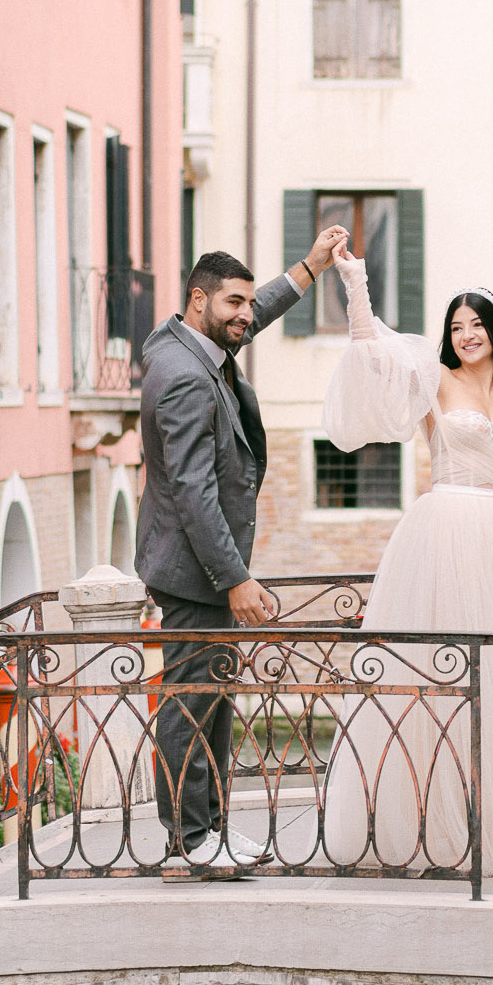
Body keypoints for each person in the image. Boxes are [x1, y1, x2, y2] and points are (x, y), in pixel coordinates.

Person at [319, 242, 493, 877]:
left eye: (476, 325)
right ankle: (428, 827)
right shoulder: (435, 382)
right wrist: (355, 282)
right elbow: (374, 349)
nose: (465, 336)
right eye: (456, 327)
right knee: (436, 678)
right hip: (444, 534)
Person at [136, 232, 345, 872]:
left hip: (196, 566)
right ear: (198, 300)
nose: (245, 317)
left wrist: (310, 270)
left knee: (215, 700)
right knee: (190, 703)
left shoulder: (185, 341)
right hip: (195, 571)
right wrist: (233, 579)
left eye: (249, 304)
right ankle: (189, 839)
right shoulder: (183, 377)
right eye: (234, 304)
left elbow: (252, 319)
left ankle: (213, 829)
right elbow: (195, 492)